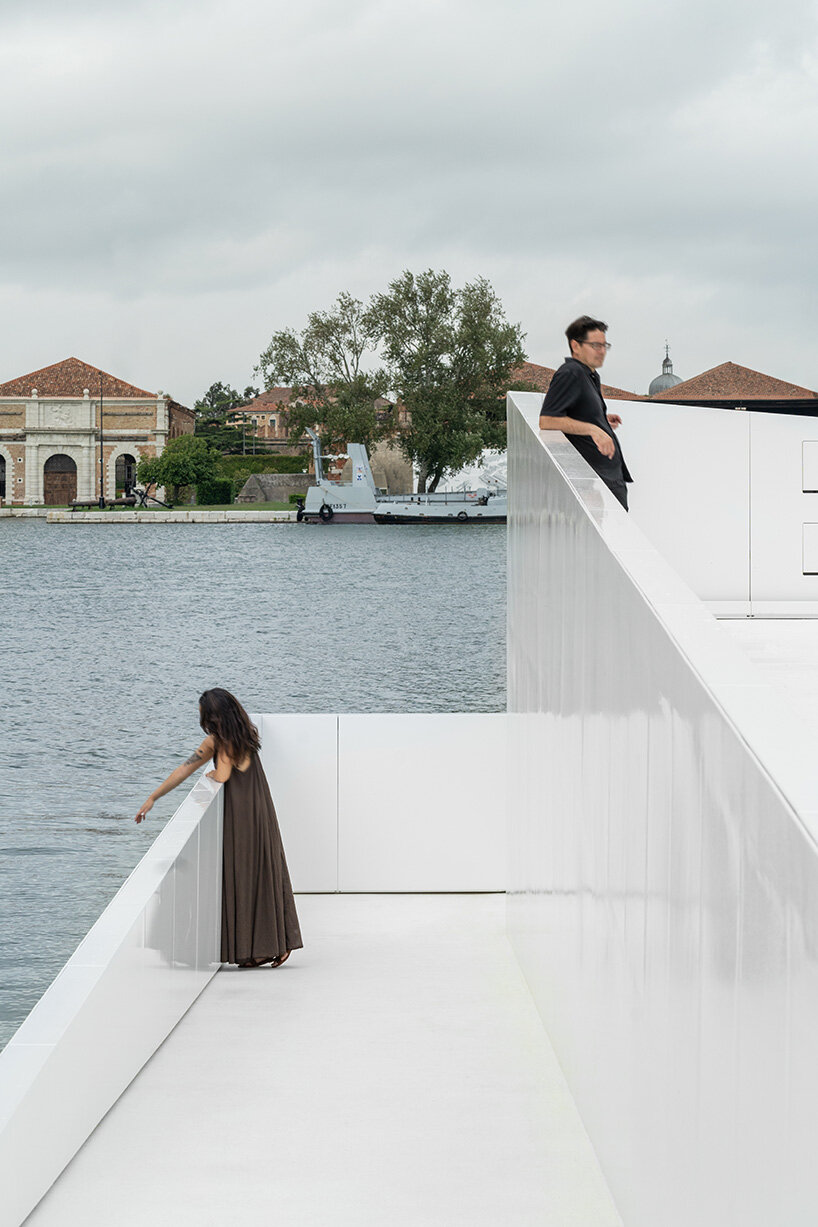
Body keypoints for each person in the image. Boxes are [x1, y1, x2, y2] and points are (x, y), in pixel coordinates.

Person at [135, 688, 303, 970]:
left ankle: (252, 948)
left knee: (236, 878)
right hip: (259, 811)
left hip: (239, 818)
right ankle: (271, 946)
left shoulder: (218, 742)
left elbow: (196, 770)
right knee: (261, 876)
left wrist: (153, 798)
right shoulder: (246, 734)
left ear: (211, 716)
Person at [538, 315, 633, 510]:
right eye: (595, 345)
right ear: (576, 346)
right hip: (595, 483)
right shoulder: (570, 373)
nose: (602, 352)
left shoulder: (589, 375)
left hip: (606, 480)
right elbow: (547, 420)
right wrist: (593, 429)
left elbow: (573, 413)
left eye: (605, 346)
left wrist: (601, 421)